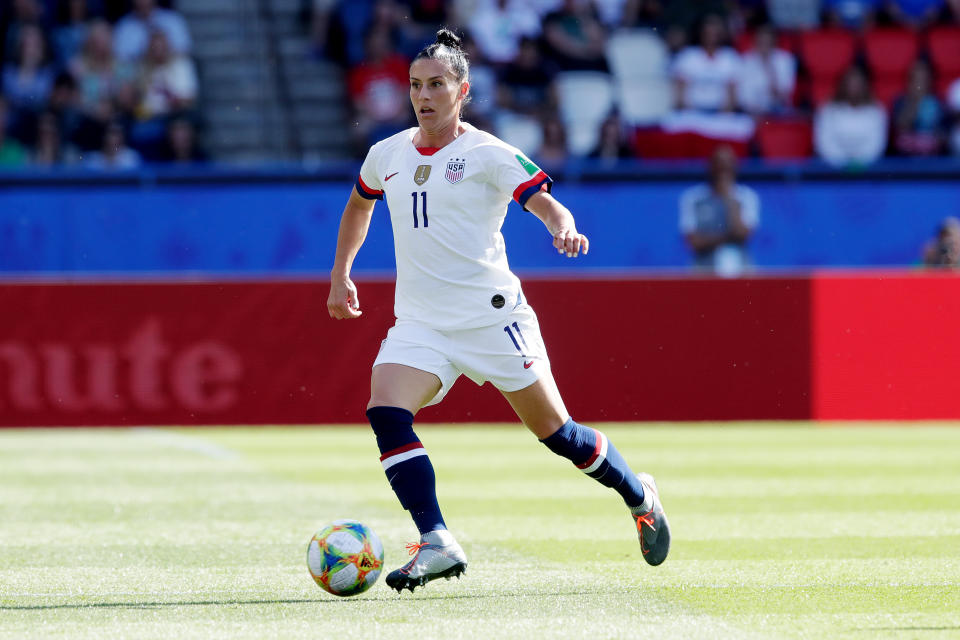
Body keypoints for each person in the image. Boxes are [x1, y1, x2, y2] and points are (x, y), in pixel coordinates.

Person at [327, 29, 670, 593]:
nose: (424, 95)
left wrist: (564, 228)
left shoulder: (487, 152)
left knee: (559, 435)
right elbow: (359, 206)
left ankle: (638, 493)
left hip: (493, 319)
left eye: (437, 84)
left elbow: (543, 202)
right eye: (416, 85)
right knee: (386, 410)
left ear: (462, 90)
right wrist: (341, 272)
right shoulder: (385, 154)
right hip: (421, 323)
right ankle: (436, 539)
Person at [679, 145, 760, 276]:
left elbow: (743, 234)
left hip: (741, 271)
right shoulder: (693, 198)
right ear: (710, 166)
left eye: (728, 163)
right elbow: (694, 242)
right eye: (719, 163)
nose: (723, 168)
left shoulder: (747, 197)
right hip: (704, 272)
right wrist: (727, 237)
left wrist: (728, 198)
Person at [813, 66, 887, 168]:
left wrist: (857, 164)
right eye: (850, 83)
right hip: (832, 169)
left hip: (868, 169)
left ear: (865, 86)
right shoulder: (827, 110)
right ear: (842, 85)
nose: (854, 87)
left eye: (858, 83)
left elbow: (876, 145)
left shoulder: (876, 111)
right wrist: (842, 164)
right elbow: (824, 143)